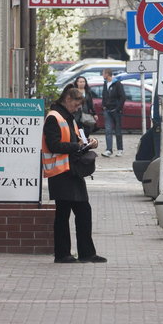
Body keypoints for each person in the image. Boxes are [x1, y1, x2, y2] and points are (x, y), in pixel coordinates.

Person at [42, 86, 107, 264]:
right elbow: (54, 145)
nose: (78, 108)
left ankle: (84, 253)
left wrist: (88, 143)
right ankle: (64, 254)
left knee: (81, 211)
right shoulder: (54, 117)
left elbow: (76, 139)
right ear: (68, 99)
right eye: (77, 104)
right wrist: (77, 146)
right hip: (61, 173)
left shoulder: (67, 117)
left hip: (71, 171)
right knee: (64, 214)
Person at [101, 69, 126, 157]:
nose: (102, 75)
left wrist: (118, 108)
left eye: (103, 73)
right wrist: (103, 105)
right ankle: (109, 150)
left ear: (107, 74)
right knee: (108, 130)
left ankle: (120, 149)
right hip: (107, 110)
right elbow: (104, 95)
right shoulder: (105, 83)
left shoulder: (117, 84)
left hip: (116, 110)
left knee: (118, 130)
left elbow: (123, 97)